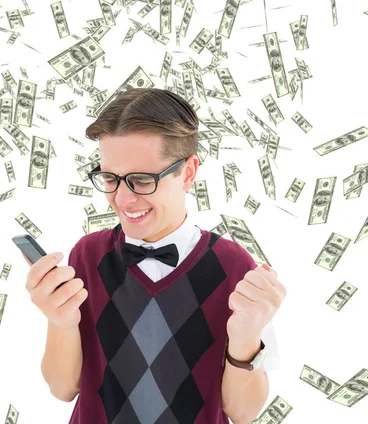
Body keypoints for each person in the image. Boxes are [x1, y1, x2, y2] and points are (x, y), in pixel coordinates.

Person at [23, 88, 287, 424]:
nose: (123, 198)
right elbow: (63, 388)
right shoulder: (88, 256)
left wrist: (246, 337)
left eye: (141, 180)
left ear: (188, 173)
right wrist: (60, 322)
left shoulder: (235, 268)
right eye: (110, 178)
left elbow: (243, 412)